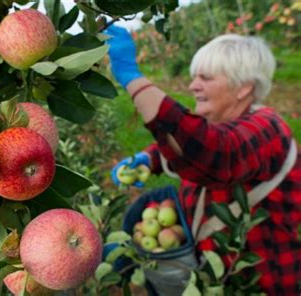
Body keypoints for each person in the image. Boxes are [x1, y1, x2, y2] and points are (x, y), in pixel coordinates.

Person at [106, 25, 301, 295]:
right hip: (214, 277)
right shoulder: (224, 123)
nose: (192, 85)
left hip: (255, 283)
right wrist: (148, 159)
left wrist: (134, 79)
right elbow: (196, 142)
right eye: (194, 77)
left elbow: (216, 153)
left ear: (243, 88)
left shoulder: (269, 127)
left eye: (205, 78)